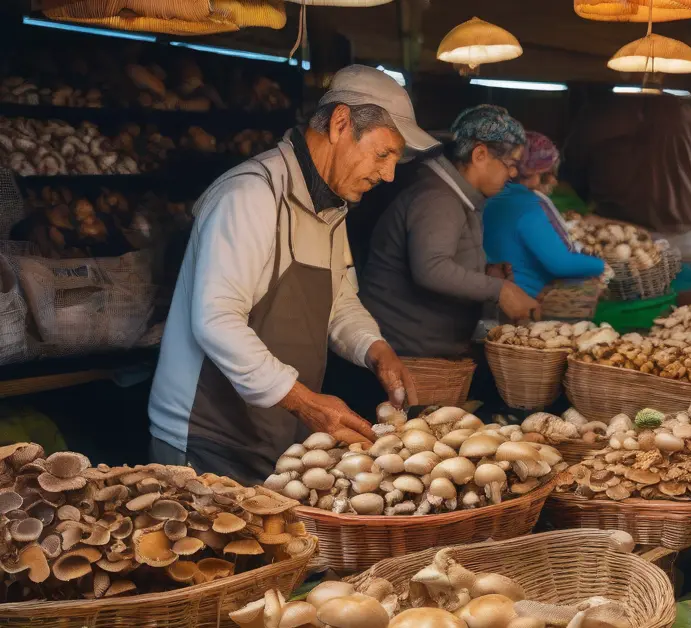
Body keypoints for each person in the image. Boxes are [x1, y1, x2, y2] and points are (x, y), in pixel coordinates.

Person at [147, 65, 438, 485]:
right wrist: (305, 402)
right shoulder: (251, 194)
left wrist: (375, 349)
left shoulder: (332, 208)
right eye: (383, 154)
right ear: (341, 123)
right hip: (206, 439)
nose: (389, 175)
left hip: (274, 437)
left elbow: (338, 300)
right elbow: (216, 321)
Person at [359, 105, 539, 359]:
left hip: (426, 347)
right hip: (408, 353)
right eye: (510, 164)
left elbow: (441, 253)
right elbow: (431, 268)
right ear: (479, 155)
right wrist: (500, 290)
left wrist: (483, 270)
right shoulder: (437, 198)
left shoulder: (455, 194)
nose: (512, 173)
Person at [561, 93, 691, 264]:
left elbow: (572, 177)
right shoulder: (684, 113)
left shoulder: (598, 115)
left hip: (624, 243)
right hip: (678, 241)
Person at [483, 131, 605, 298]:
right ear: (525, 172)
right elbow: (561, 264)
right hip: (523, 297)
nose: (553, 181)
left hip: (495, 291)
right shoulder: (527, 207)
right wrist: (601, 265)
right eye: (546, 175)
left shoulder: (493, 196)